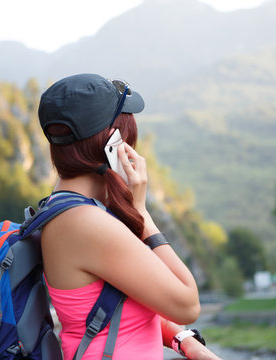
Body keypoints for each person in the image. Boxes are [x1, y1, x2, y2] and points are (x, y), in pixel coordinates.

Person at [38, 73, 222, 360]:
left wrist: (185, 340)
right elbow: (187, 305)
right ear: (113, 143)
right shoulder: (86, 223)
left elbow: (125, 307)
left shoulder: (67, 211)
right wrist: (142, 214)